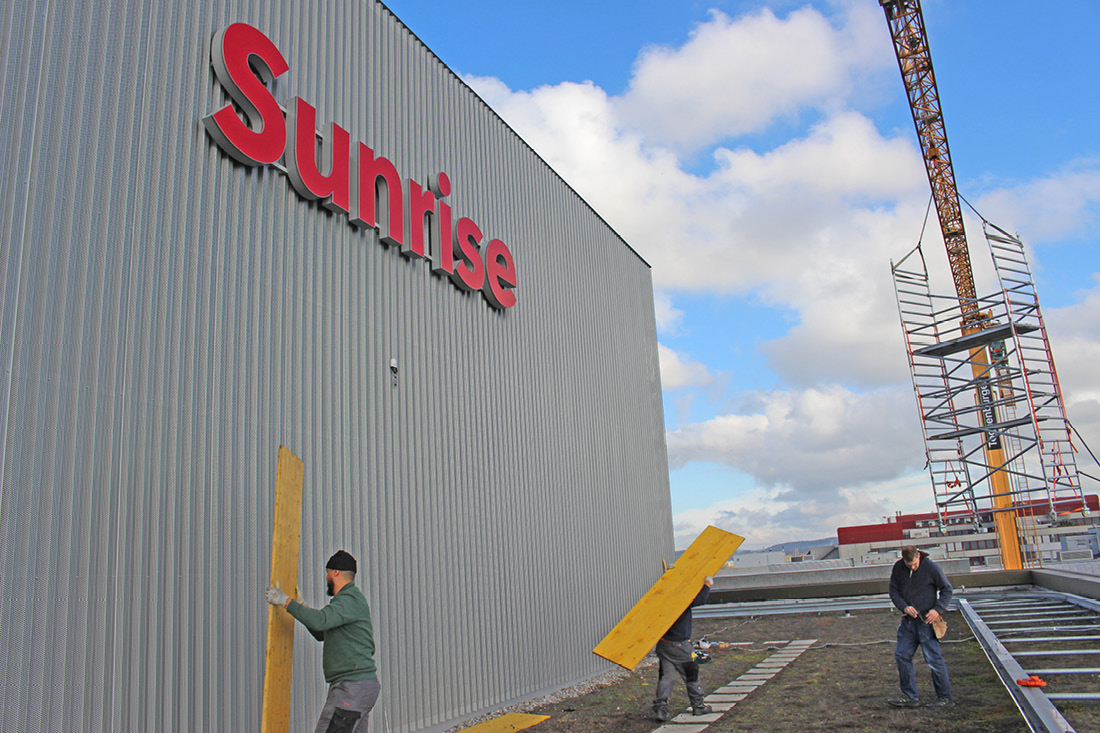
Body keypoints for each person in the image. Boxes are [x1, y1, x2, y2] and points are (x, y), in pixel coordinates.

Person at [266, 550, 381, 732]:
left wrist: (286, 601)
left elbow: (320, 621)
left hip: (352, 686)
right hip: (359, 686)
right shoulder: (345, 603)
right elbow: (322, 632)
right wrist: (301, 607)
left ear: (335, 572)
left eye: (327, 573)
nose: (326, 577)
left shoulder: (349, 600)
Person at [887, 545, 955, 709]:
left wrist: (937, 610)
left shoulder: (931, 567)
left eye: (915, 564)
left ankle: (945, 698)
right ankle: (910, 696)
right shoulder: (898, 568)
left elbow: (947, 589)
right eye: (909, 565)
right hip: (908, 622)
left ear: (919, 557)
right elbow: (893, 591)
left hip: (927, 622)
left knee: (933, 659)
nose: (913, 567)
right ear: (904, 560)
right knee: (902, 656)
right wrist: (904, 607)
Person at [652, 575, 715, 722]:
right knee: (692, 675)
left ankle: (661, 709)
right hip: (681, 646)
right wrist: (707, 584)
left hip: (664, 645)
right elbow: (700, 600)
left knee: (666, 677)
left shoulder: (660, 599)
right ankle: (698, 706)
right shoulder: (680, 599)